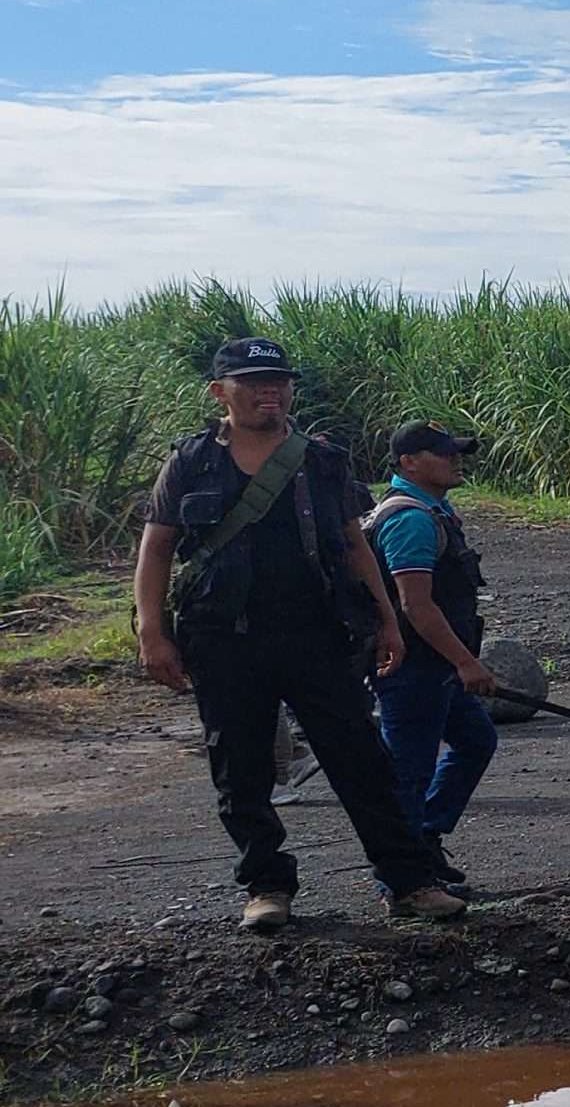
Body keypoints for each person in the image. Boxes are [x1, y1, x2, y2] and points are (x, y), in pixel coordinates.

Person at [133, 338, 464, 931]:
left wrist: (388, 620)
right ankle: (267, 887)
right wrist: (152, 632)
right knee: (242, 767)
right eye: (254, 382)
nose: (270, 392)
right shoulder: (190, 462)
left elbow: (355, 542)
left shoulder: (321, 460)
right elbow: (157, 548)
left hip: (319, 634)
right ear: (220, 393)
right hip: (223, 638)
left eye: (279, 382)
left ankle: (409, 882)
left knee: (362, 761)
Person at [364, 421, 498, 890]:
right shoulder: (411, 519)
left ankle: (425, 838)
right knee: (409, 772)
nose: (455, 460)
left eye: (456, 451)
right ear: (409, 463)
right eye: (443, 453)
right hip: (413, 668)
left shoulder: (434, 509)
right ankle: (402, 879)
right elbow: (416, 607)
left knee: (476, 739)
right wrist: (466, 662)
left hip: (435, 666)